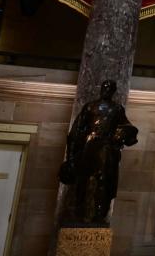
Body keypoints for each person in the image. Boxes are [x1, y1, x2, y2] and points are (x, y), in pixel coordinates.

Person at [59, 80, 138, 225]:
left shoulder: (116, 109)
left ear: (113, 91)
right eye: (105, 87)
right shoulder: (90, 107)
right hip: (89, 145)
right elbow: (77, 130)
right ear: (101, 89)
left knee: (104, 179)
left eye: (109, 88)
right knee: (82, 179)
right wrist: (70, 156)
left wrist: (125, 134)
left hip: (106, 146)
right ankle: (78, 211)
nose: (106, 90)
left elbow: (125, 126)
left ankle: (99, 214)